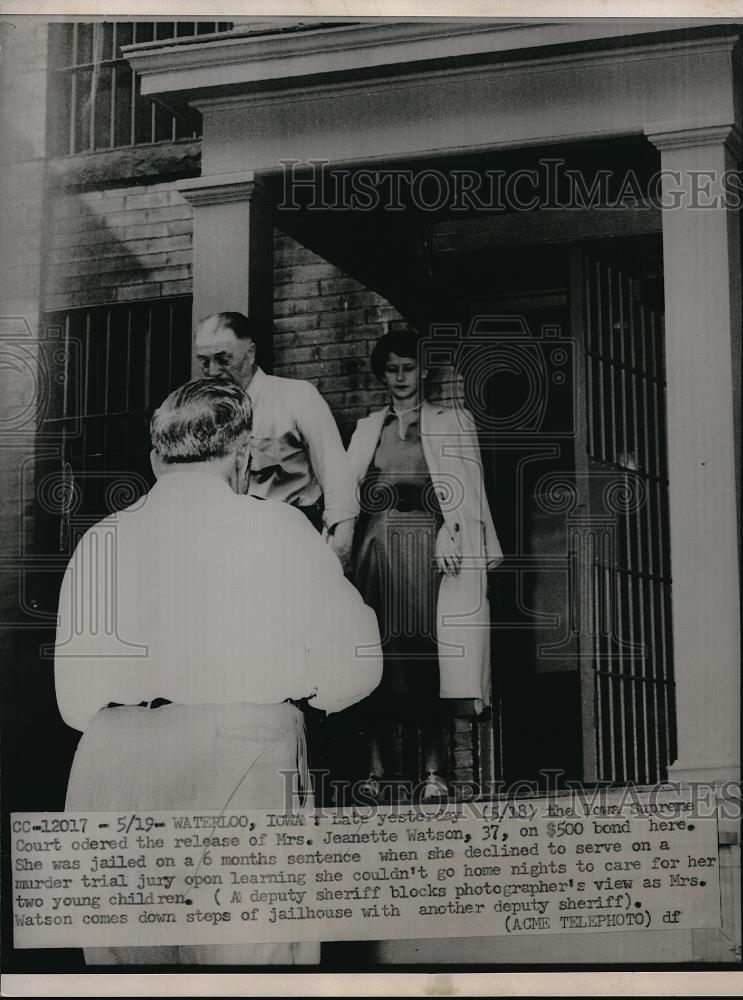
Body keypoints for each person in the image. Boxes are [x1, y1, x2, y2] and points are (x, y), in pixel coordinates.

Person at [54, 378, 382, 965]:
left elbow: (73, 702)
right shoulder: (278, 528)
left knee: (129, 974)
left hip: (113, 761)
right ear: (243, 455)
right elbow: (356, 668)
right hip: (244, 752)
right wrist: (302, 698)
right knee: (248, 966)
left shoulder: (99, 540)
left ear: (157, 458)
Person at [346, 331, 502, 798]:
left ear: (425, 370)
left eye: (408, 368)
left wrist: (447, 531)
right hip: (375, 549)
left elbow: (465, 495)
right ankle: (376, 772)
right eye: (391, 370)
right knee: (374, 657)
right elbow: (346, 491)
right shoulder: (368, 427)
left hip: (430, 552)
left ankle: (435, 773)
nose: (400, 378)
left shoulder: (453, 421)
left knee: (426, 657)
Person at [194, 311, 357, 570]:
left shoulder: (296, 396)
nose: (212, 371)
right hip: (233, 545)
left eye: (223, 359)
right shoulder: (201, 413)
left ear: (250, 353)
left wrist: (342, 542)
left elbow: (335, 469)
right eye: (204, 361)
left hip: (295, 538)